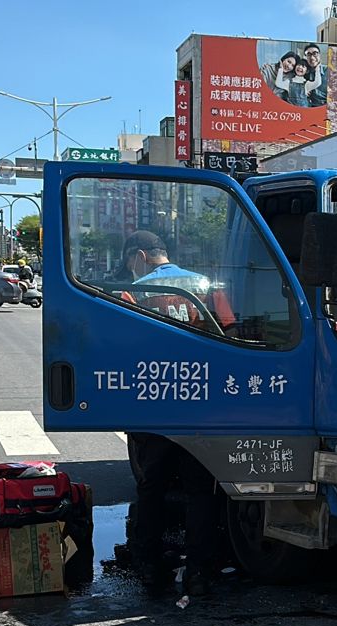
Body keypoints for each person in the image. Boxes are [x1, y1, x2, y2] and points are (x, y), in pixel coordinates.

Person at [113, 231, 222, 600]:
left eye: (130, 263)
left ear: (140, 256)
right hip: (200, 405)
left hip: (152, 407)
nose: (130, 270)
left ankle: (148, 566)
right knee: (200, 493)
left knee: (151, 490)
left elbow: (122, 347)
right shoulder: (205, 285)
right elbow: (231, 332)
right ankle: (199, 573)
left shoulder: (131, 294)